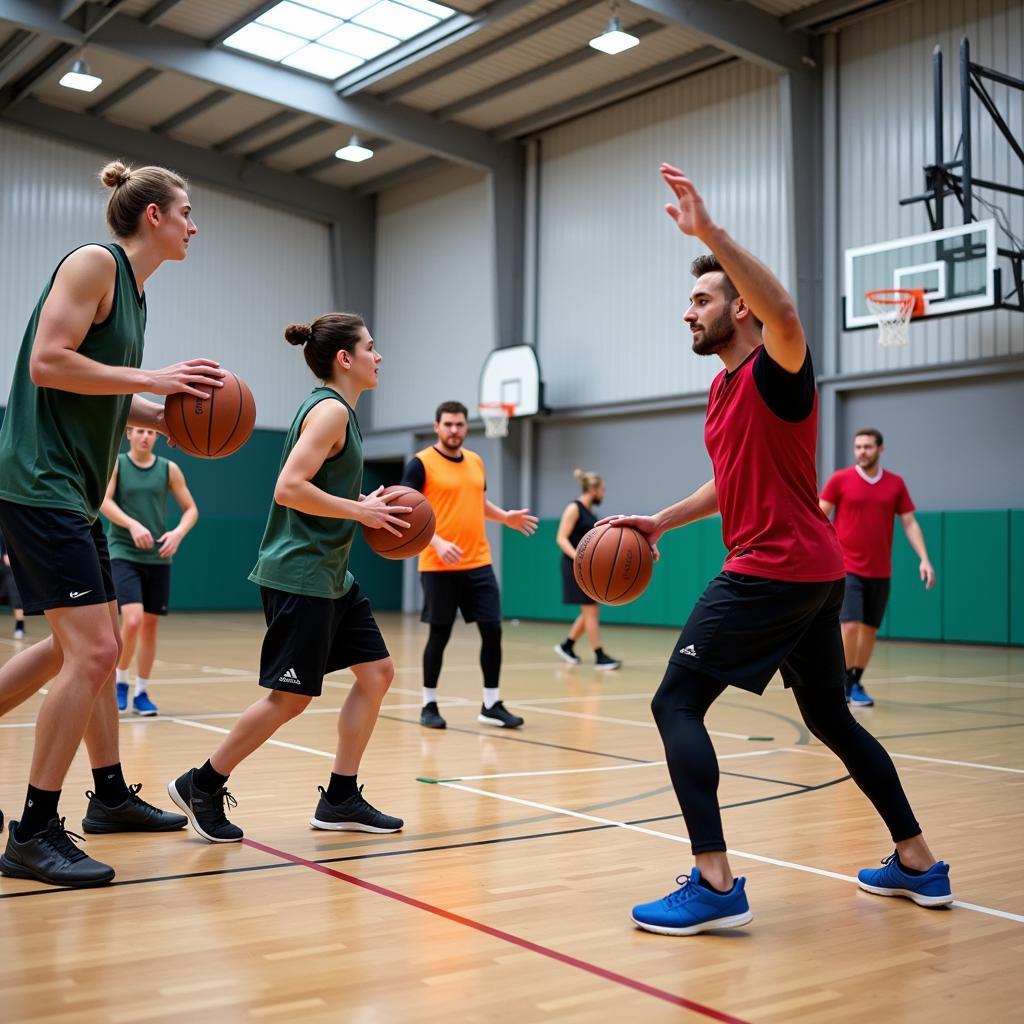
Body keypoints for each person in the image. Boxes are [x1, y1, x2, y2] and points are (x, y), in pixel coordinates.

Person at [603, 164, 951, 936]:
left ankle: (715, 881)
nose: (686, 313)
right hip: (816, 575)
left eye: (701, 299)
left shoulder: (777, 369)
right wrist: (661, 521)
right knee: (832, 717)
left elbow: (786, 308)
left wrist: (711, 235)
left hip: (773, 571)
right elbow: (730, 482)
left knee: (675, 703)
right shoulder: (724, 388)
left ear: (740, 308)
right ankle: (919, 862)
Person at [0, 161, 224, 886]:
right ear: (152, 215)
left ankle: (109, 797)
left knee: (90, 648)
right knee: (94, 653)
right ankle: (33, 831)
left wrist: (171, 415)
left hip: (68, 485)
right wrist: (152, 379)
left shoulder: (136, 296)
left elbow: (103, 392)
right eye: (186, 210)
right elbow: (45, 362)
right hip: (41, 480)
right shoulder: (95, 263)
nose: (194, 224)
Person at [168, 313, 409, 842]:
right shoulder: (329, 412)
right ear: (344, 359)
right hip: (299, 574)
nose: (379, 355)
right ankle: (201, 784)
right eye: (371, 347)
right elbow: (287, 487)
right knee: (289, 700)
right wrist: (359, 511)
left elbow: (313, 488)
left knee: (377, 673)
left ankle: (341, 797)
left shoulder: (338, 410)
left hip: (331, 576)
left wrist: (357, 505)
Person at [401, 401, 538, 731]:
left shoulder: (476, 461)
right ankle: (428, 703)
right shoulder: (420, 464)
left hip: (478, 561)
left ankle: (491, 704)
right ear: (437, 426)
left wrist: (505, 516)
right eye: (447, 424)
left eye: (459, 425)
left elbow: (476, 501)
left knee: (492, 629)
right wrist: (436, 541)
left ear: (466, 427)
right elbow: (406, 510)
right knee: (440, 634)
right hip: (437, 564)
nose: (453, 430)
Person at [819, 430, 936, 707]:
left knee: (869, 630)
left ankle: (856, 681)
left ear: (880, 449)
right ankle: (843, 682)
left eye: (867, 447)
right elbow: (820, 515)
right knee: (849, 626)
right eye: (858, 446)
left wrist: (924, 558)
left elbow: (909, 523)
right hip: (847, 568)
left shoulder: (895, 484)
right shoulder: (840, 480)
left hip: (880, 571)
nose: (861, 451)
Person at [101, 426, 199, 716]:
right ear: (129, 434)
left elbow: (191, 509)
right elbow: (103, 501)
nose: (146, 436)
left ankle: (142, 691)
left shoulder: (169, 469)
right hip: (123, 551)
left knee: (150, 626)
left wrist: (178, 533)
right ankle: (120, 682)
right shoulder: (117, 464)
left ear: (157, 437)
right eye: (140, 431)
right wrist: (131, 524)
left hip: (157, 555)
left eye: (151, 432)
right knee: (132, 620)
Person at [554, 469, 622, 669]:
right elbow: (561, 538)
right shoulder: (574, 508)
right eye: (603, 490)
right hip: (573, 564)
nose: (604, 494)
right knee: (591, 610)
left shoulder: (591, 513)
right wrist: (578, 558)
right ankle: (600, 656)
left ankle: (567, 646)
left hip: (585, 566)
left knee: (589, 611)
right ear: (592, 489)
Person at [0, 531, 26, 640]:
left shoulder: (7, 531)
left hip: (10, 570)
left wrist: (7, 555)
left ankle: (20, 627)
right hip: (2, 569)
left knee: (16, 598)